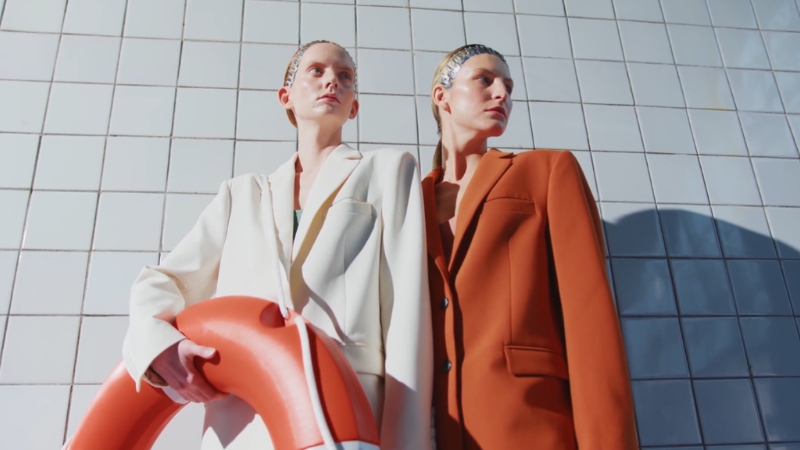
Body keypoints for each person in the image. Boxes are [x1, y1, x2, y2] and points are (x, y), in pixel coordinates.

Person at [122, 40, 433, 450]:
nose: (332, 83)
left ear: (354, 106)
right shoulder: (241, 195)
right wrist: (155, 347)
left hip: (350, 416)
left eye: (345, 78)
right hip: (244, 422)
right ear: (286, 97)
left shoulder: (389, 171)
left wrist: (405, 442)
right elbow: (162, 283)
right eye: (316, 72)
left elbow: (407, 313)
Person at [422, 44, 638, 449]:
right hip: (431, 429)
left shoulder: (546, 170)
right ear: (442, 95)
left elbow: (589, 323)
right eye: (485, 80)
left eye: (508, 86)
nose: (502, 93)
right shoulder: (409, 200)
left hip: (531, 424)